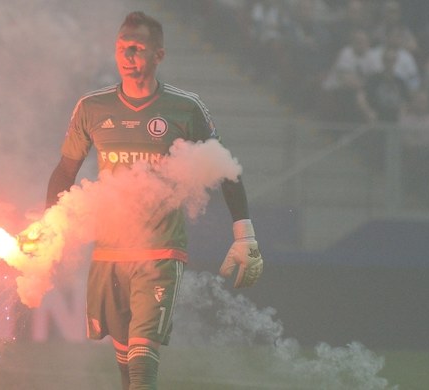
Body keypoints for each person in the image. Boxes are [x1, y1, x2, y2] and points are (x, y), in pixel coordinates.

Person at [38, 12, 264, 390]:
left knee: (143, 364)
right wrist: (49, 228)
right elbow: (65, 172)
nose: (128, 54)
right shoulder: (92, 108)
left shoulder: (186, 108)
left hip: (159, 253)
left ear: (159, 55)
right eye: (122, 47)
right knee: (127, 364)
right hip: (108, 254)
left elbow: (226, 169)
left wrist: (245, 235)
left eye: (138, 47)